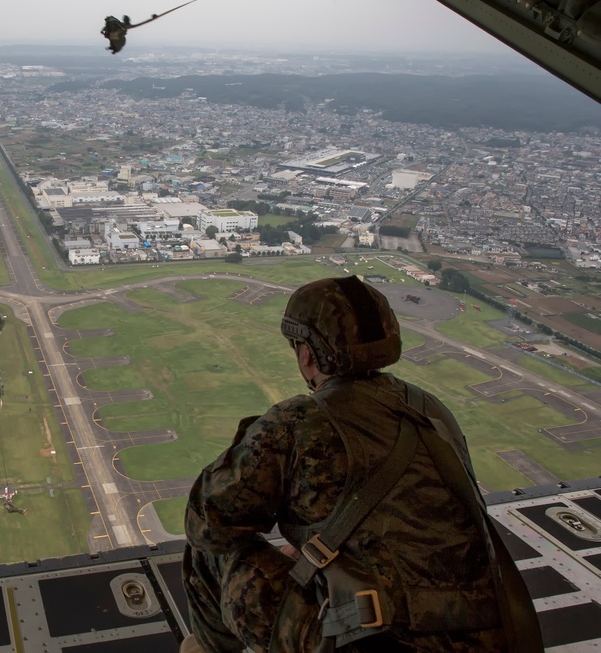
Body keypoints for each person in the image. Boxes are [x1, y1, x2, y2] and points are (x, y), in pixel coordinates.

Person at [181, 276, 541, 652]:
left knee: (210, 553)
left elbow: (207, 524)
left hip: (379, 642)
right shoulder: (431, 410)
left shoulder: (299, 421)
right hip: (491, 637)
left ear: (306, 355)